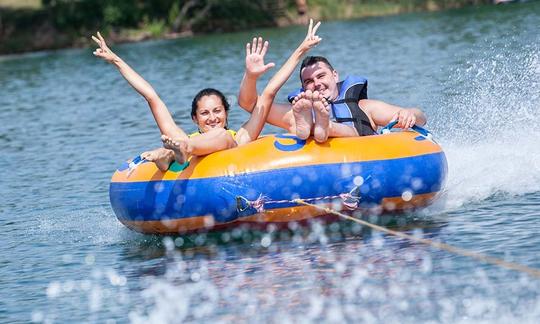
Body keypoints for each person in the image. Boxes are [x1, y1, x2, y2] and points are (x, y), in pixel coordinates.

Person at [91, 20, 322, 171]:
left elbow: (270, 91)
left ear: (226, 113)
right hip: (184, 146)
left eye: (217, 110)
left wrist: (300, 50)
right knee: (181, 143)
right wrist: (116, 60)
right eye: (204, 113)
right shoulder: (181, 136)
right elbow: (152, 97)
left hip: (187, 147)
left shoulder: (241, 137)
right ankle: (167, 156)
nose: (212, 117)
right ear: (195, 119)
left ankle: (170, 155)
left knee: (220, 137)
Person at [238, 46, 426, 143]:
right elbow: (251, 105)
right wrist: (251, 76)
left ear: (334, 76)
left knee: (324, 125)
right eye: (309, 82)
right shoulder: (298, 109)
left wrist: (409, 113)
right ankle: (314, 126)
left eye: (321, 76)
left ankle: (324, 126)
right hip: (323, 167)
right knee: (302, 118)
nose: (316, 83)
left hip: (366, 161)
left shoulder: (364, 107)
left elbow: (421, 118)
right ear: (304, 89)